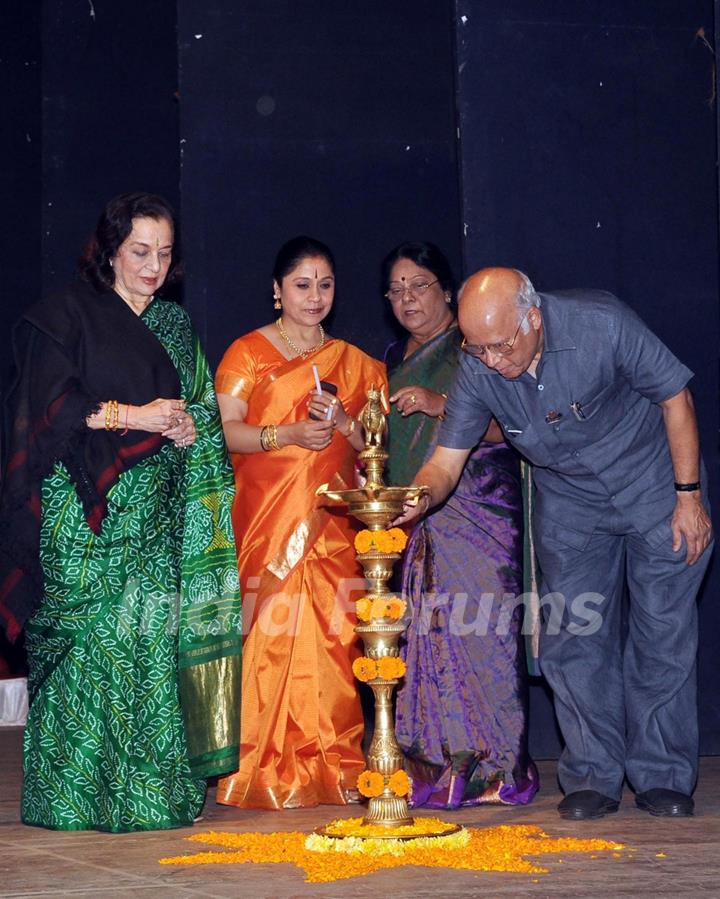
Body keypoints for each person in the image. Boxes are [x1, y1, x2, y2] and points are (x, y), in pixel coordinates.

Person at [396, 267, 713, 820]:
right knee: (574, 635)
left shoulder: (603, 322)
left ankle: (662, 775)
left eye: (500, 346)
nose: (491, 361)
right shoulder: (478, 366)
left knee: (662, 631)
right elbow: (446, 461)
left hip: (656, 485)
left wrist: (689, 497)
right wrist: (417, 499)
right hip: (570, 504)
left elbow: (675, 397)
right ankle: (592, 775)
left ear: (533, 319)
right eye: (478, 348)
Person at [0, 192, 241, 832]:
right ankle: (71, 798)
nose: (153, 266)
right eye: (140, 251)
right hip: (83, 513)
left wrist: (188, 428)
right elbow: (46, 409)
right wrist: (133, 416)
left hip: (156, 515)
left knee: (146, 646)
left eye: (164, 254)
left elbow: (201, 412)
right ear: (109, 250)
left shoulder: (174, 328)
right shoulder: (67, 316)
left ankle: (150, 797)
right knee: (89, 648)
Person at [214, 235, 388, 810]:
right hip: (267, 520)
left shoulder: (359, 365)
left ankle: (335, 763)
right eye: (301, 284)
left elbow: (375, 451)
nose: (315, 297)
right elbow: (226, 431)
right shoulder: (248, 353)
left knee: (336, 641)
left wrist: (342, 421)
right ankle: (261, 766)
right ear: (277, 291)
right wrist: (284, 434)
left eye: (325, 284)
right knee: (270, 635)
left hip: (332, 525)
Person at [383, 243, 537, 809]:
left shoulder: (479, 346)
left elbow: (513, 426)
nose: (408, 299)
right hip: (422, 513)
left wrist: (438, 402)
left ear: (446, 291)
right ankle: (438, 768)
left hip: (480, 505)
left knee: (484, 635)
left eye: (419, 285)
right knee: (430, 639)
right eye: (396, 290)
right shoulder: (394, 358)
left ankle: (499, 767)